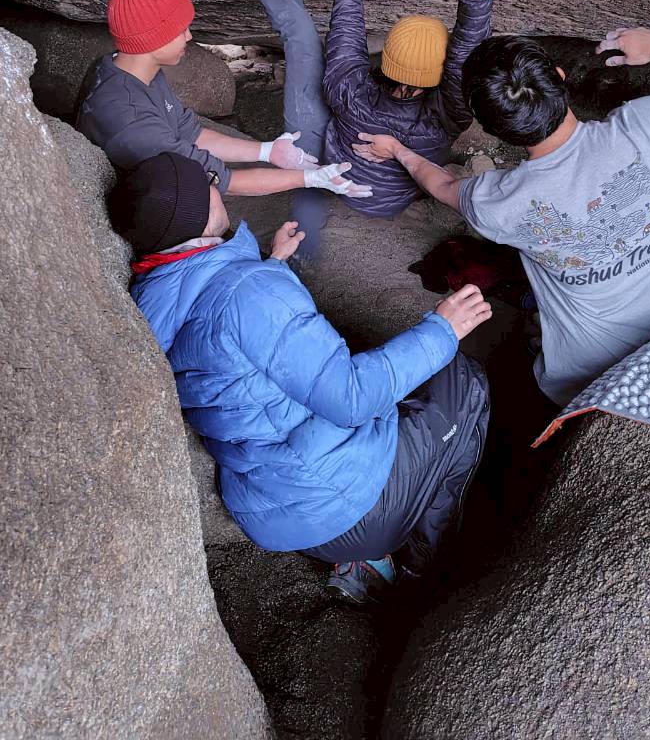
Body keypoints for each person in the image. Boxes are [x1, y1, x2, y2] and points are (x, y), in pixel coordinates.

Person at [107, 152, 493, 605]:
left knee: (391, 380)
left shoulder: (154, 298)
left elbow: (230, 341)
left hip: (278, 512)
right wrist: (441, 330)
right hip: (352, 507)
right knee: (466, 380)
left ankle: (369, 554)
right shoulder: (250, 292)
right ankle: (419, 562)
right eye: (209, 181)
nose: (218, 185)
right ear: (196, 211)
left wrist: (272, 265)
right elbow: (350, 397)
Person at [352, 28, 650, 407]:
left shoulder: (498, 201)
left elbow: (442, 184)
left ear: (492, 128)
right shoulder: (648, 126)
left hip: (583, 385)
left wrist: (397, 149)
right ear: (560, 77)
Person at [247, 0, 497, 223]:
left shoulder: (349, 89)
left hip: (328, 170)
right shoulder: (451, 114)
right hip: (387, 203)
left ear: (387, 56)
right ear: (442, 72)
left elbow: (347, 12)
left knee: (302, 42)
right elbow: (470, 42)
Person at [77, 0, 369, 205]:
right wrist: (312, 179)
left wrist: (268, 152)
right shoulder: (132, 122)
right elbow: (225, 181)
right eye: (180, 30)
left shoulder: (127, 69)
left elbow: (189, 132)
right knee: (215, 208)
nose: (189, 36)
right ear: (152, 40)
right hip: (144, 206)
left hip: (157, 177)